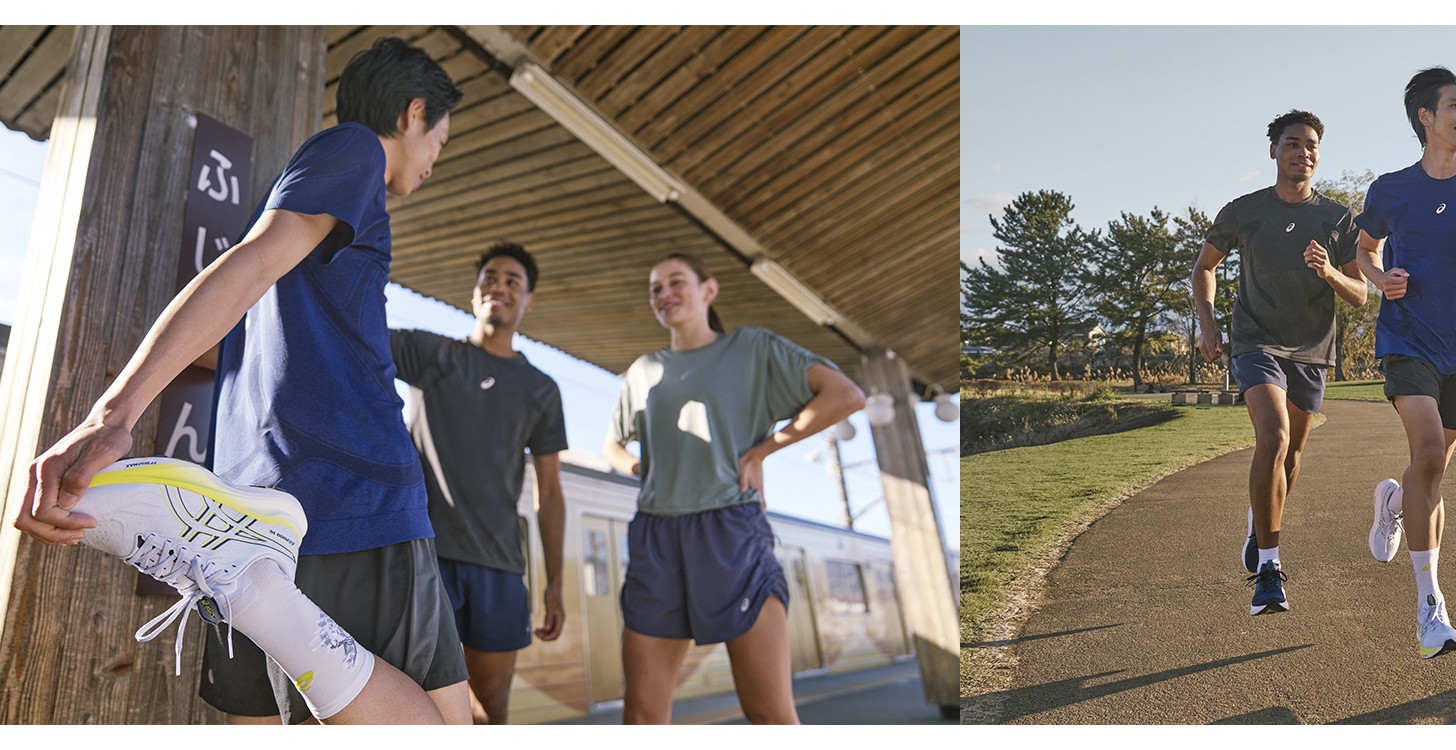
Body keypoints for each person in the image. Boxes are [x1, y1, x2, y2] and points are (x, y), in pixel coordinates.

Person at [13, 36, 469, 723]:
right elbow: (250, 265)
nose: (436, 159)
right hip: (354, 497)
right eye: (440, 137)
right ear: (413, 113)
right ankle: (262, 598)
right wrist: (116, 413)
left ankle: (252, 587)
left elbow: (222, 338)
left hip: (248, 509)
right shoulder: (353, 151)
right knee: (446, 725)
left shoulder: (296, 214)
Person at [602, 253, 866, 724]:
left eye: (676, 282)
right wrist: (648, 466)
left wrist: (763, 450)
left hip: (730, 530)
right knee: (641, 717)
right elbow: (611, 446)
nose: (664, 295)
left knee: (767, 713)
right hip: (655, 538)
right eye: (655, 289)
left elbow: (845, 394)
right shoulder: (642, 371)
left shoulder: (751, 349)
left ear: (709, 290)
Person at [1353, 67, 1456, 659]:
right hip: (1406, 339)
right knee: (1427, 455)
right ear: (1426, 116)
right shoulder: (1390, 189)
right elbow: (1364, 251)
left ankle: (1394, 503)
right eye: (1455, 106)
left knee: (1431, 473)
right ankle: (1430, 607)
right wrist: (1379, 278)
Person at [1193, 110, 1369, 616]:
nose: (1303, 152)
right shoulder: (1244, 211)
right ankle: (1268, 569)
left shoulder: (1337, 218)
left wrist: (1330, 272)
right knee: (1274, 438)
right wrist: (1207, 325)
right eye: (1292, 143)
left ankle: (1259, 522)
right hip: (1255, 342)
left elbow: (1360, 294)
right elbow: (1204, 267)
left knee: (1290, 461)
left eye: (1311, 145)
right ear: (1273, 151)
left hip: (1312, 350)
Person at [390, 241, 570, 724]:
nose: (500, 286)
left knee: (490, 711)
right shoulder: (430, 353)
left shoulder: (541, 389)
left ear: (528, 300)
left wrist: (555, 584)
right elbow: (348, 339)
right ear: (474, 294)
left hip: (500, 567)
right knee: (419, 707)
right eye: (490, 277)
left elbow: (550, 493)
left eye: (513, 281)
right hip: (426, 557)